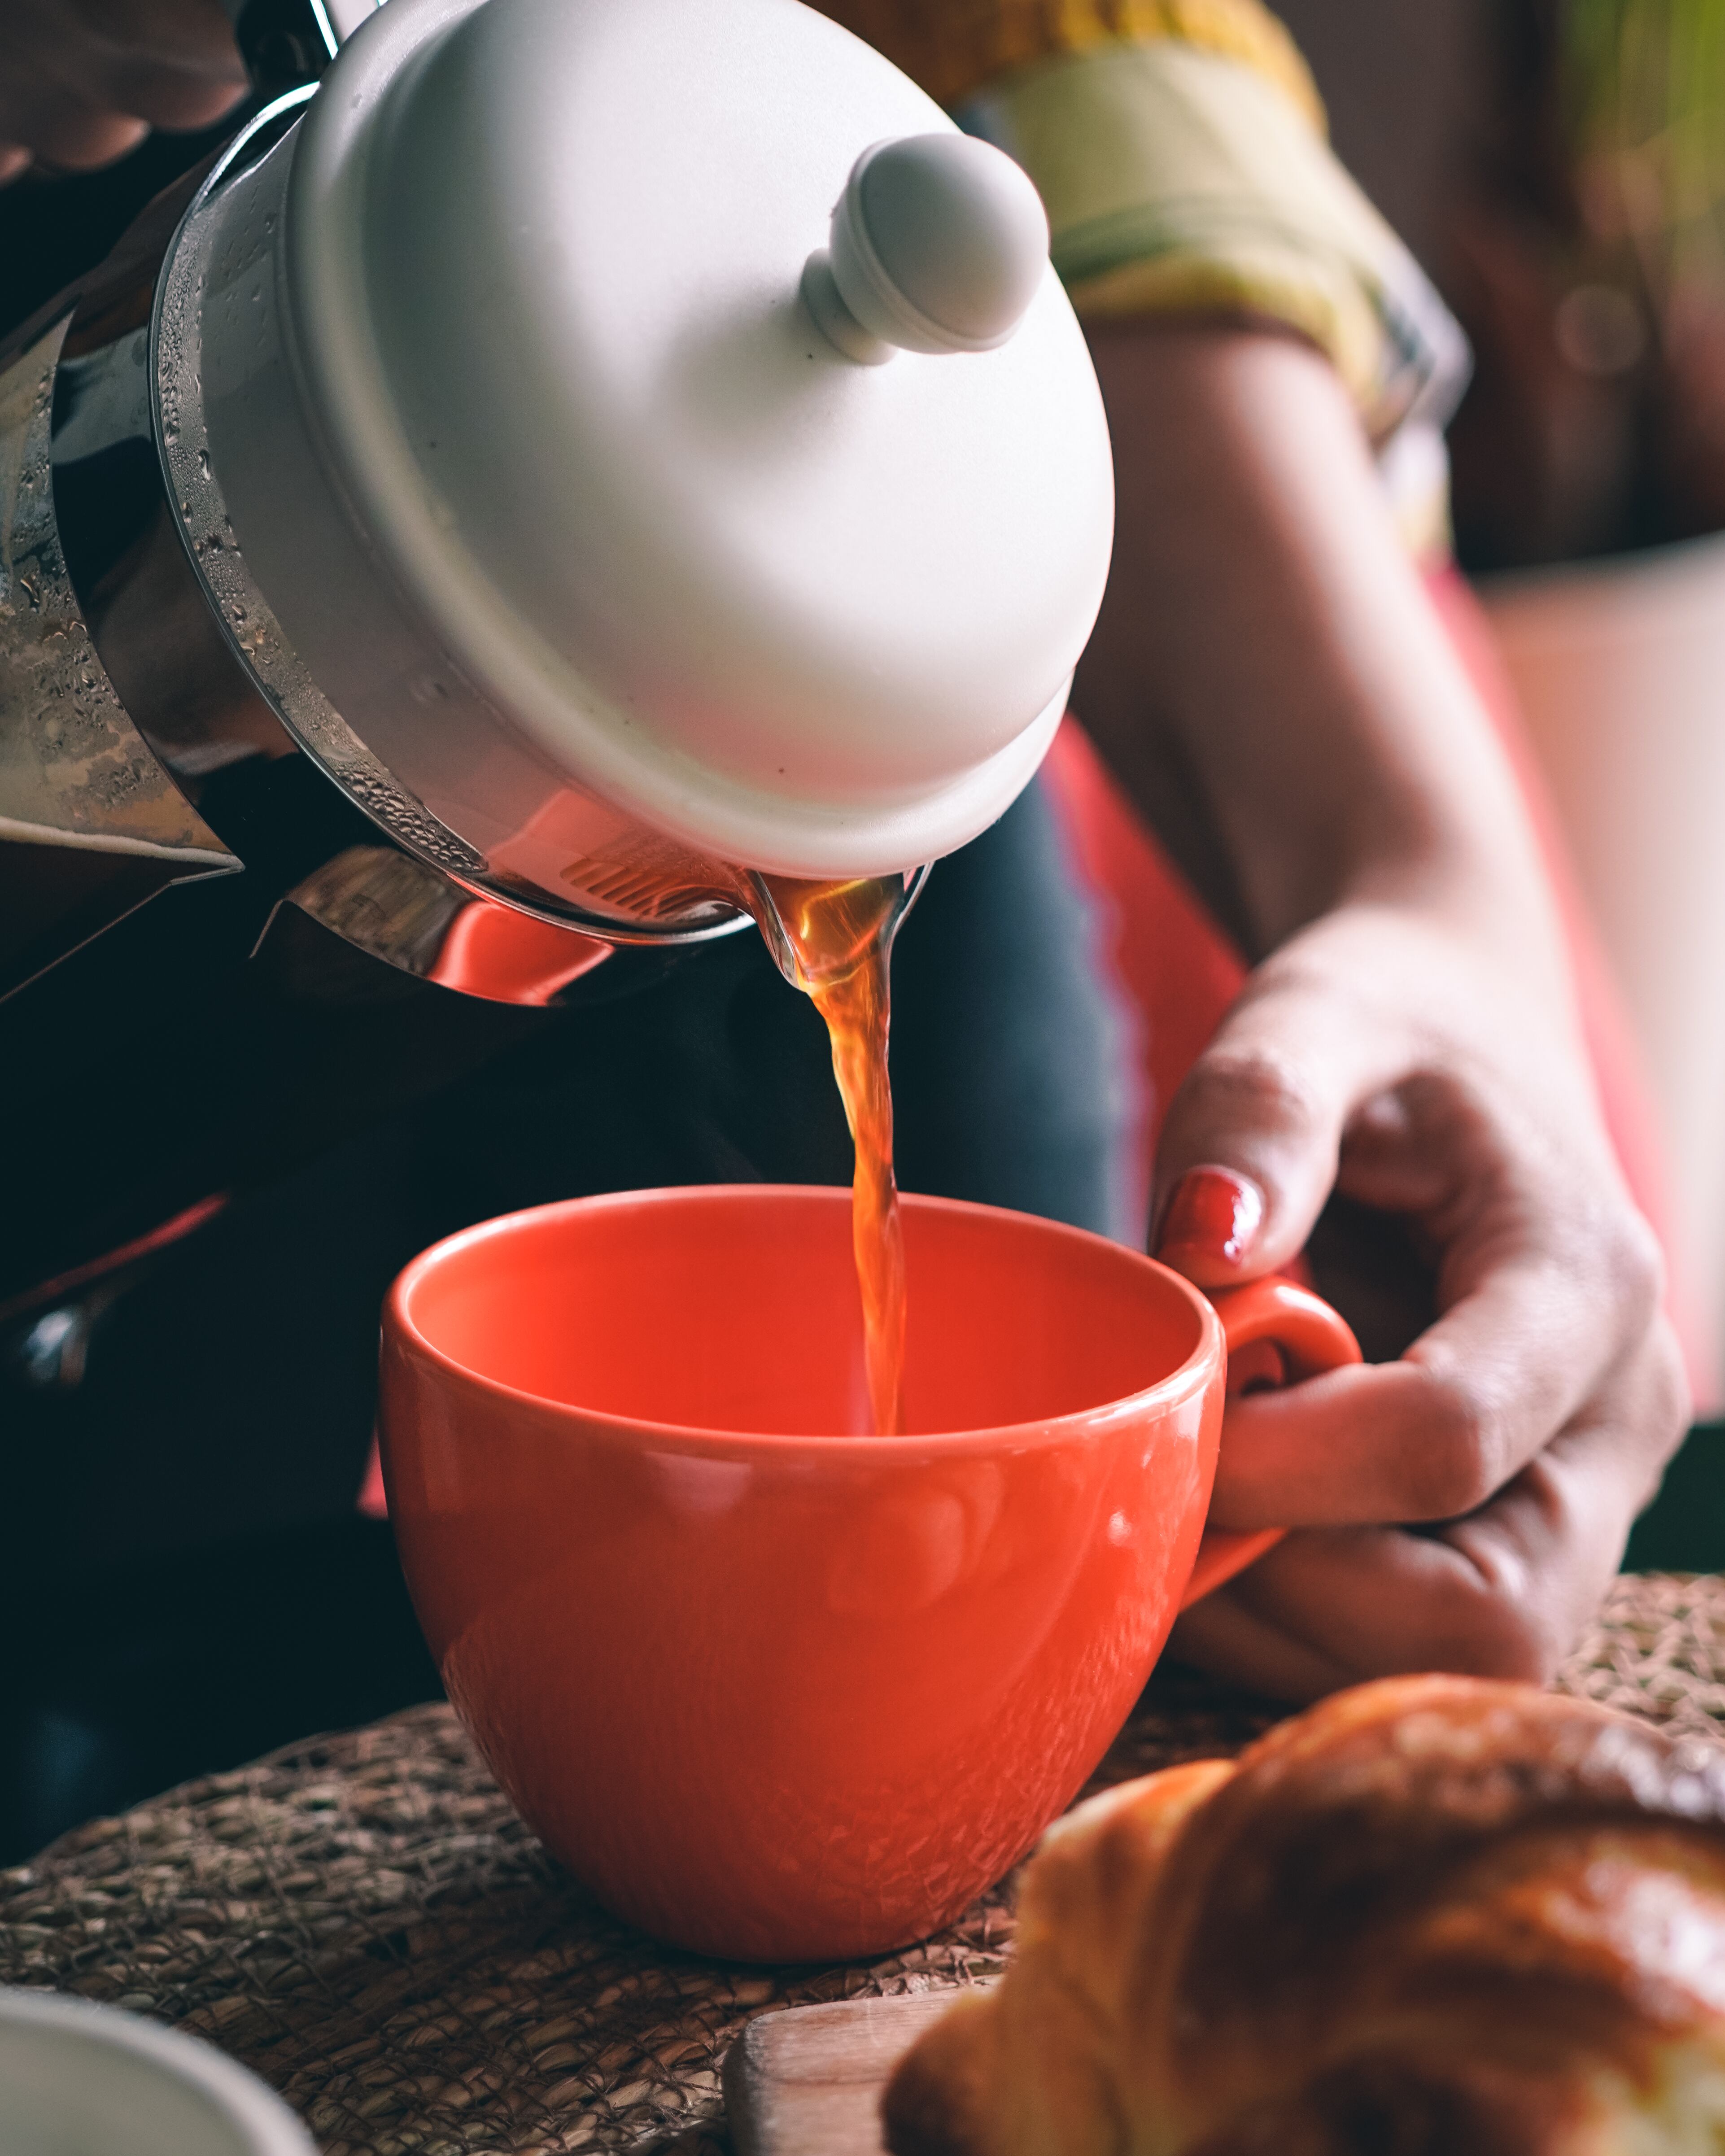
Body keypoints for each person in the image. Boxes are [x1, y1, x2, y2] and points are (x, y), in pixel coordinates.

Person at [0, 0, 1687, 1725]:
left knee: (982, 1543)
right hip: (194, 425)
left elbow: (1002, 55)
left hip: (751, 694)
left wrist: (1412, 880)